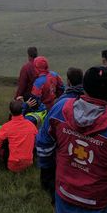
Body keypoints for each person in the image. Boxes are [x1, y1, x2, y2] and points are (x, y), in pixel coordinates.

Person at [37, 66, 107, 213]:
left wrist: (48, 170)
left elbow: (43, 145)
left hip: (64, 195)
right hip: (97, 204)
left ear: (83, 86)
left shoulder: (60, 108)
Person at [36, 67, 84, 203]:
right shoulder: (89, 100)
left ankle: (53, 191)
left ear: (69, 82)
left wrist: (45, 163)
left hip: (62, 153)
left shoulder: (60, 104)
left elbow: (45, 136)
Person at [0, 100, 38, 173]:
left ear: (10, 112)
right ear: (22, 111)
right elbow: (37, 141)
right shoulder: (31, 125)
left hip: (12, 165)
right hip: (29, 163)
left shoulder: (7, 126)